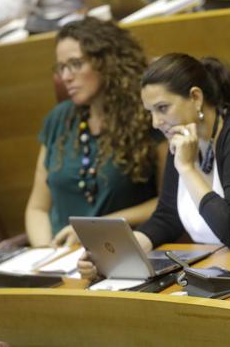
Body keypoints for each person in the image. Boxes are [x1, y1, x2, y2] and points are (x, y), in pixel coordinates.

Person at [78, 53, 230, 279]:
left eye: (162, 108)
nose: (156, 123)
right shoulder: (182, 136)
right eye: (150, 112)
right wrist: (119, 254)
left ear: (195, 97)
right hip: (219, 268)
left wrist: (188, 169)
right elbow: (167, 217)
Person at [25, 17, 167, 247]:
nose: (66, 76)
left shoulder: (148, 117)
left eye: (75, 64)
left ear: (106, 62)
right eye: (61, 68)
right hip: (59, 258)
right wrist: (45, 251)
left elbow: (168, 204)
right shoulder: (59, 119)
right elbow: (37, 208)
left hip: (120, 251)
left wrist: (95, 229)